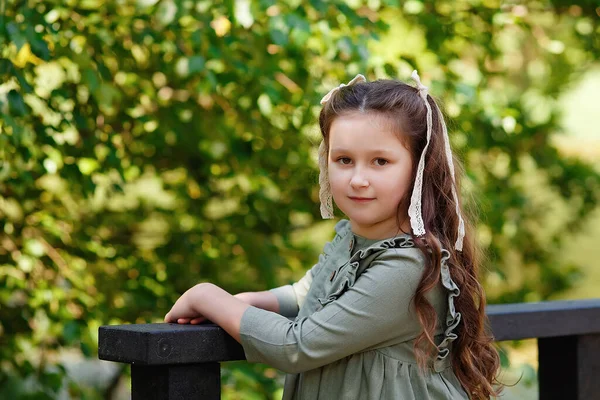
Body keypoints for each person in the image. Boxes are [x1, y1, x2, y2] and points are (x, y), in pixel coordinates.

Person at [164, 72, 501, 399]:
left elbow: (297, 346)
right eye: (344, 159)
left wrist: (207, 295)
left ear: (419, 168)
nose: (357, 179)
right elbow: (309, 292)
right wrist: (251, 301)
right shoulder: (352, 238)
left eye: (380, 161)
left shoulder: (407, 266)